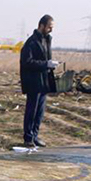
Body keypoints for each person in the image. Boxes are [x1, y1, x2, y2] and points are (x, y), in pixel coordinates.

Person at [20, 14, 58, 148]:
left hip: (43, 82)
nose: (51, 30)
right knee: (32, 110)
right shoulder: (31, 42)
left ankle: (35, 135)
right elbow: (27, 62)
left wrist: (50, 65)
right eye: (49, 27)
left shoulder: (46, 40)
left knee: (39, 112)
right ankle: (28, 137)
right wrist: (45, 64)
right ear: (41, 26)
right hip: (33, 82)